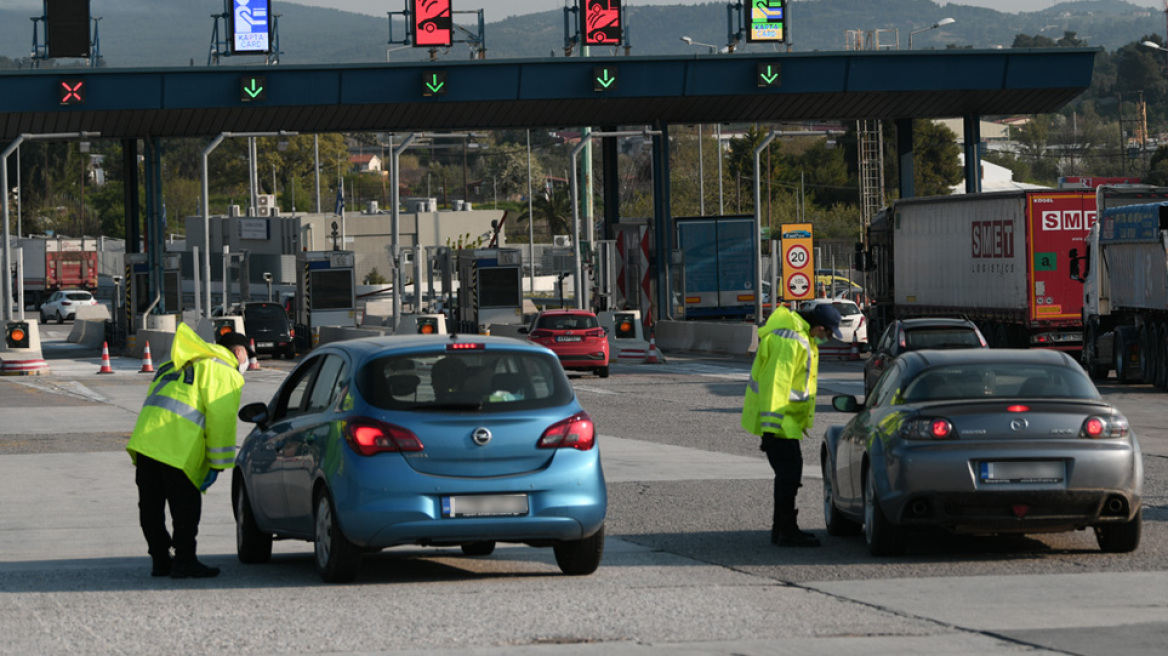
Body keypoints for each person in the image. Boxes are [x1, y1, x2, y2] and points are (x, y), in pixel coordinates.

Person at [126, 323, 252, 578]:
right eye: (248, 356)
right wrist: (218, 464)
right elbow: (221, 420)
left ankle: (160, 560)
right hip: (178, 447)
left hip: (146, 442)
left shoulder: (173, 364)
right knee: (185, 507)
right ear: (239, 353)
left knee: (151, 506)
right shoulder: (224, 371)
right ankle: (184, 560)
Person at [741, 302, 842, 548]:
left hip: (785, 423)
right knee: (789, 475)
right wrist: (770, 430)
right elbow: (776, 385)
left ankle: (782, 529)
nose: (827, 339)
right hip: (779, 424)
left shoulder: (798, 336)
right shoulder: (790, 340)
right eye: (828, 334)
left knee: (789, 475)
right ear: (819, 327)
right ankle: (786, 531)